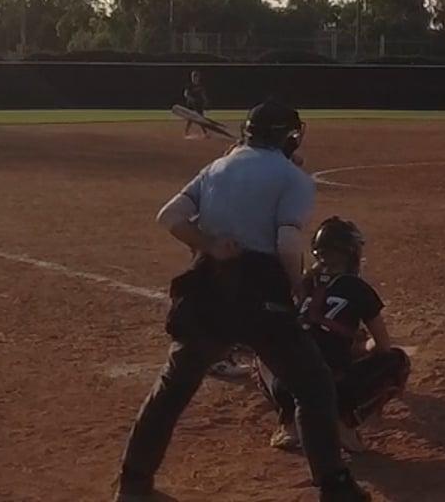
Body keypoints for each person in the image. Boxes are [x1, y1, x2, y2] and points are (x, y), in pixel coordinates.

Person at [111, 103, 369, 502]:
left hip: (208, 286)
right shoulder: (292, 178)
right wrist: (297, 288)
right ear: (289, 136)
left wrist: (211, 244)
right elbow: (287, 243)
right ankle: (335, 488)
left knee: (174, 386)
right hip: (259, 291)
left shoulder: (217, 168)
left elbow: (170, 216)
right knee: (312, 386)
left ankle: (133, 484)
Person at [261, 217, 410, 455]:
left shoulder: (302, 284)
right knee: (397, 360)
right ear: (351, 253)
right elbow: (382, 345)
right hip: (330, 385)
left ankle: (289, 422)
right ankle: (344, 422)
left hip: (287, 385)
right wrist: (358, 347)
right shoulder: (358, 289)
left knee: (268, 351)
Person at [182, 71, 212, 140]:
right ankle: (186, 132)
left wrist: (206, 101)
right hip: (191, 104)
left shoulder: (200, 85)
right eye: (193, 76)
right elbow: (186, 94)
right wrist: (191, 99)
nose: (194, 78)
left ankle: (205, 133)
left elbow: (203, 94)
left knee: (201, 118)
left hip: (198, 104)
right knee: (190, 119)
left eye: (196, 76)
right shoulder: (189, 85)